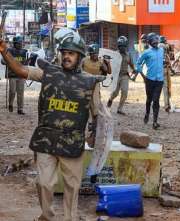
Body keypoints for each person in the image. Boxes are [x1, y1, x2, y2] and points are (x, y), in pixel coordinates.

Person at [0, 28, 104, 221]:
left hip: (72, 143)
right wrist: (3, 49)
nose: (66, 56)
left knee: (72, 188)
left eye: (71, 53)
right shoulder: (48, 73)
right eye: (64, 53)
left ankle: (69, 219)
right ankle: (46, 216)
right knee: (44, 183)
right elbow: (21, 70)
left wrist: (94, 133)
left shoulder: (90, 82)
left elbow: (97, 113)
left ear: (79, 56)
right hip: (46, 140)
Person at [133, 33, 164, 129]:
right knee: (149, 100)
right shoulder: (146, 52)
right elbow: (138, 63)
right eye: (153, 41)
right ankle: (147, 113)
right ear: (150, 42)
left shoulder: (162, 50)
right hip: (149, 79)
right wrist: (142, 74)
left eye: (156, 41)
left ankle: (155, 121)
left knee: (156, 100)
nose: (155, 42)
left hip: (160, 80)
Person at [107, 36, 135, 115]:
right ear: (118, 46)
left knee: (125, 92)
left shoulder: (128, 55)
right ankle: (110, 99)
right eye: (120, 46)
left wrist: (134, 70)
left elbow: (131, 64)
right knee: (115, 92)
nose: (122, 48)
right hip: (116, 76)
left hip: (125, 76)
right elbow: (110, 65)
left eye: (123, 46)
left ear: (126, 46)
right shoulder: (115, 54)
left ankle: (120, 108)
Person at [82, 43, 112, 117]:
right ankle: (87, 117)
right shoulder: (84, 60)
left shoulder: (100, 62)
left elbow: (109, 72)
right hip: (85, 82)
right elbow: (78, 70)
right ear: (90, 54)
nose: (95, 56)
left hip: (95, 83)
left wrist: (108, 64)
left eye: (96, 54)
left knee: (95, 102)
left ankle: (95, 117)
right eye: (93, 54)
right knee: (85, 101)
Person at [3, 35, 28, 114]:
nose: (20, 44)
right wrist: (7, 61)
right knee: (12, 91)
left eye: (21, 43)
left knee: (20, 93)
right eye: (18, 43)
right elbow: (3, 61)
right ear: (15, 44)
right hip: (12, 75)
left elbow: (26, 63)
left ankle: (20, 109)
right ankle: (10, 104)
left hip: (21, 75)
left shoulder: (24, 52)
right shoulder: (9, 51)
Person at [159, 35, 172, 112]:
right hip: (164, 69)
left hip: (157, 70)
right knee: (165, 88)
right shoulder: (164, 46)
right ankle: (166, 105)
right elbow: (166, 59)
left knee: (156, 88)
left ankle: (155, 104)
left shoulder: (156, 47)